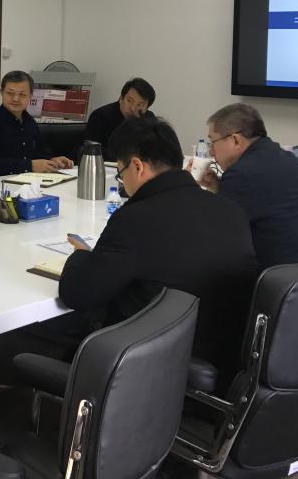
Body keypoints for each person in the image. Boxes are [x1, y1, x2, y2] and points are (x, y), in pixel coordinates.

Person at [59, 117, 257, 381]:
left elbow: (77, 294)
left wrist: (82, 256)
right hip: (224, 363)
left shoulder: (136, 218)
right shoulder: (230, 210)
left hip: (145, 366)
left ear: (137, 166)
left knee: (67, 342)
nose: (123, 181)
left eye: (121, 172)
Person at [199, 103, 298, 269]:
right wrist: (218, 186)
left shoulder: (240, 173)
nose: (211, 152)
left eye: (212, 142)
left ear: (236, 140)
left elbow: (217, 235)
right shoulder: (286, 157)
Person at [0, 71, 74, 176]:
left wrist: (52, 161)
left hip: (29, 180)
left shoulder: (30, 122)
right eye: (10, 93)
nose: (16, 99)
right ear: (2, 93)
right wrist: (29, 166)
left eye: (22, 94)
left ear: (31, 96)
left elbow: (35, 155)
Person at [83, 77, 156, 161]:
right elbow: (91, 150)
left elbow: (155, 150)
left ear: (147, 108)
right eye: (129, 101)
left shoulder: (149, 119)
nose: (133, 108)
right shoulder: (100, 116)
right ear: (121, 98)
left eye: (139, 105)